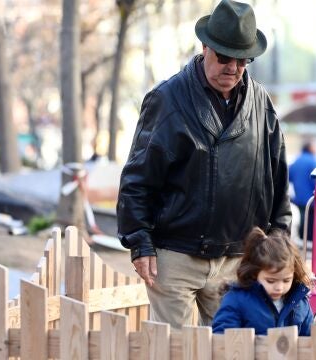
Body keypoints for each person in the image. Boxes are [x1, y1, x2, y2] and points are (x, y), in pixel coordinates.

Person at [116, 0, 292, 330]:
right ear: (205, 48)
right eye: (224, 56)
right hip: (174, 257)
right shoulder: (167, 99)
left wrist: (279, 238)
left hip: (238, 259)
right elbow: (138, 179)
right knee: (176, 351)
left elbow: (278, 179)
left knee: (235, 349)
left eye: (242, 59)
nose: (233, 67)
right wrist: (139, 242)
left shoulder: (261, 103)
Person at [212, 227, 313, 335]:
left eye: (286, 280)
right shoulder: (237, 300)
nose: (279, 287)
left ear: (294, 275)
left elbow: (311, 341)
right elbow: (222, 338)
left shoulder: (300, 303)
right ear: (255, 273)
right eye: (270, 281)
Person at [289, 141, 316, 242]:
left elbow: (287, 178)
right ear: (310, 148)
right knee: (311, 232)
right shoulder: (313, 162)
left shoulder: (296, 162)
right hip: (312, 202)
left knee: (302, 228)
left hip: (299, 202)